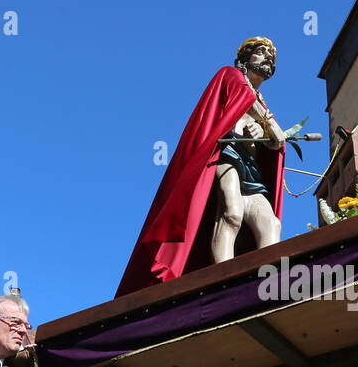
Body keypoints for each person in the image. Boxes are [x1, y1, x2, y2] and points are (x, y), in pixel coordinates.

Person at [117, 37, 287, 295]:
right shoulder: (230, 75)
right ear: (245, 57)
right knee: (231, 212)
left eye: (271, 56)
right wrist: (270, 123)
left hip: (251, 165)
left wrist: (267, 135)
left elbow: (274, 145)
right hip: (227, 153)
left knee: (271, 223)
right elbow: (242, 97)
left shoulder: (261, 103)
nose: (267, 58)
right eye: (261, 52)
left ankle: (270, 286)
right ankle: (225, 284)